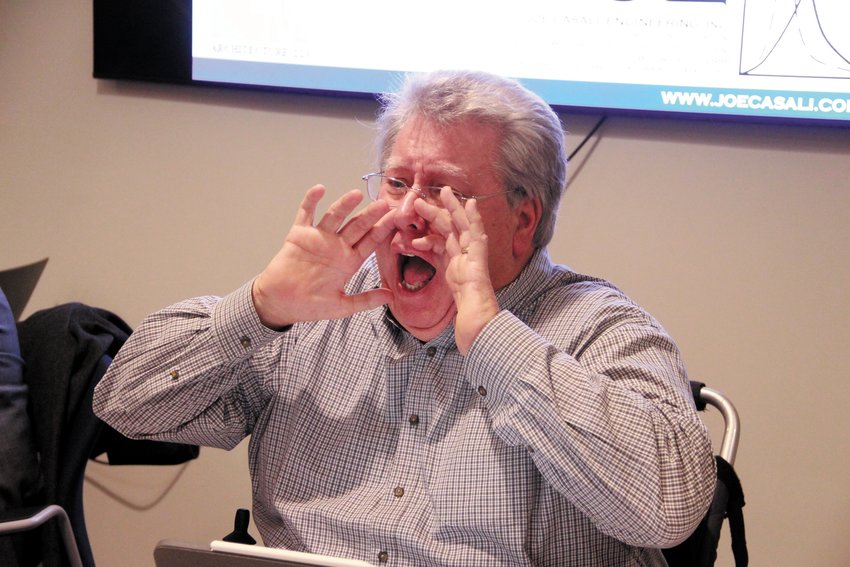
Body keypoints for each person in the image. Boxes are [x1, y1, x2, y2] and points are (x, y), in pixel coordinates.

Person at [94, 70, 716, 566]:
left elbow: (667, 508)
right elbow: (125, 407)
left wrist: (493, 340)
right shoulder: (314, 311)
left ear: (523, 221)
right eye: (395, 184)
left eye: (444, 192)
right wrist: (259, 309)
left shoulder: (599, 327)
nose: (410, 215)